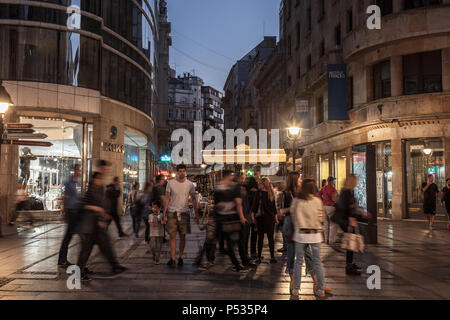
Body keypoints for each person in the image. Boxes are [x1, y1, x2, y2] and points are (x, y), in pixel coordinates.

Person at [76, 171, 127, 281]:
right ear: (94, 180)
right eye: (99, 179)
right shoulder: (90, 191)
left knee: (105, 246)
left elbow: (101, 204)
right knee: (86, 250)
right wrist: (97, 210)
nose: (101, 181)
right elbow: (84, 205)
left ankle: (115, 266)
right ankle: (79, 272)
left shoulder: (98, 190)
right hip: (88, 227)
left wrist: (103, 214)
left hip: (95, 226)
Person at [290, 179, 328, 298]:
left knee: (298, 262)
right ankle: (321, 289)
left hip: (301, 234)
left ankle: (296, 289)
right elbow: (321, 217)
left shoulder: (297, 200)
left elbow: (293, 215)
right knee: (317, 262)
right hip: (315, 234)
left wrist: (298, 225)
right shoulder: (317, 200)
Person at [163, 164, 199, 266]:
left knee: (183, 236)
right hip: (172, 212)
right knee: (172, 236)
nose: (182, 173)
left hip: (184, 213)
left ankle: (180, 257)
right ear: (177, 172)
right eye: (180, 171)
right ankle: (173, 258)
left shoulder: (190, 184)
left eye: (183, 171)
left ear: (185, 172)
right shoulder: (170, 183)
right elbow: (167, 199)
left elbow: (194, 200)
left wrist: (196, 214)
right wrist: (164, 213)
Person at [213, 170, 248, 272]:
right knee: (235, 241)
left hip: (220, 217)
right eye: (232, 175)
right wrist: (242, 217)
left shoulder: (217, 186)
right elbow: (238, 203)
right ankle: (239, 262)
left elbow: (216, 203)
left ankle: (236, 262)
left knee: (221, 240)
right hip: (232, 218)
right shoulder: (234, 187)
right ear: (228, 176)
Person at [334, 174, 362, 276]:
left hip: (348, 220)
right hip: (347, 221)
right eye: (355, 181)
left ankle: (350, 264)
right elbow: (343, 207)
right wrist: (350, 217)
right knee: (350, 243)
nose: (356, 182)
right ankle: (349, 266)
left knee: (351, 243)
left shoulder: (347, 192)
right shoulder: (346, 192)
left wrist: (359, 214)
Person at [57, 164, 82, 267]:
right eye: (78, 170)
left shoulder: (75, 183)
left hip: (75, 212)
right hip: (71, 212)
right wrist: (65, 213)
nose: (79, 172)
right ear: (74, 170)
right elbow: (65, 198)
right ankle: (62, 260)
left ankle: (63, 259)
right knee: (68, 237)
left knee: (70, 236)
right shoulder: (69, 183)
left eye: (79, 170)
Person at [251, 177, 279, 264]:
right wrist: (276, 219)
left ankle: (259, 257)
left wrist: (252, 216)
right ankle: (272, 257)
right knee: (271, 238)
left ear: (263, 184)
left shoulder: (258, 193)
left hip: (261, 219)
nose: (258, 185)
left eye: (260, 183)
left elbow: (254, 206)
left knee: (260, 238)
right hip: (270, 219)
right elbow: (274, 208)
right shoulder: (271, 193)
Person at [236, 174, 256, 269]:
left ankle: (245, 258)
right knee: (242, 240)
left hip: (246, 217)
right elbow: (239, 205)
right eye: (243, 178)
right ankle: (244, 260)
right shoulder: (238, 189)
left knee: (244, 239)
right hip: (242, 218)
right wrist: (242, 217)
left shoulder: (245, 189)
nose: (244, 180)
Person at [319, 177, 338, 244]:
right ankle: (331, 240)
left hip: (324, 207)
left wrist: (323, 200)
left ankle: (325, 239)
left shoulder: (324, 188)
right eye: (334, 181)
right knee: (332, 224)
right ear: (332, 181)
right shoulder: (333, 189)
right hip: (330, 207)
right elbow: (333, 199)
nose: (334, 182)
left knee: (326, 224)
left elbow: (318, 194)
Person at [152, 175, 168, 242]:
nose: (164, 180)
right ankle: (162, 238)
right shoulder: (160, 188)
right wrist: (165, 209)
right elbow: (163, 199)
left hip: (155, 208)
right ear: (159, 180)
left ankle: (158, 237)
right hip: (160, 208)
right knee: (162, 224)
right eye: (163, 179)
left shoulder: (154, 187)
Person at [246, 177, 259, 260]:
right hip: (255, 216)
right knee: (254, 235)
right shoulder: (257, 192)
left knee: (246, 235)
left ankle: (245, 253)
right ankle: (253, 252)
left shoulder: (246, 192)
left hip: (247, 216)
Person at [148, 200, 164, 264]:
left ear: (160, 208)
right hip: (152, 234)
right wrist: (159, 223)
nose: (154, 209)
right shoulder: (150, 215)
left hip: (160, 234)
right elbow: (151, 224)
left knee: (159, 247)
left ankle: (157, 259)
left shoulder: (162, 215)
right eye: (153, 207)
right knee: (152, 246)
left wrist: (162, 222)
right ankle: (154, 255)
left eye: (156, 207)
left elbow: (164, 222)